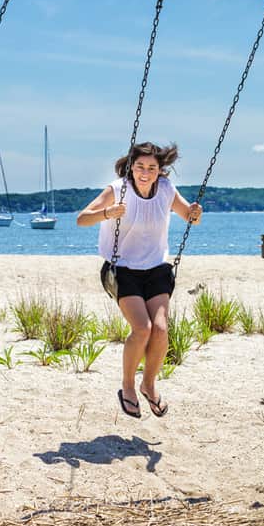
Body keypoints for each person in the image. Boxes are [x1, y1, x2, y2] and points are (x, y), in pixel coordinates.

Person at [77, 142, 202, 419]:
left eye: (152, 168)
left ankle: (149, 384)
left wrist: (194, 214)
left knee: (160, 330)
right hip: (121, 270)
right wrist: (107, 213)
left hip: (156, 268)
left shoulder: (167, 190)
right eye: (140, 167)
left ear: (160, 171)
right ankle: (127, 386)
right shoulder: (117, 190)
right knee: (142, 328)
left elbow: (188, 217)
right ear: (131, 167)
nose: (145, 173)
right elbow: (82, 219)